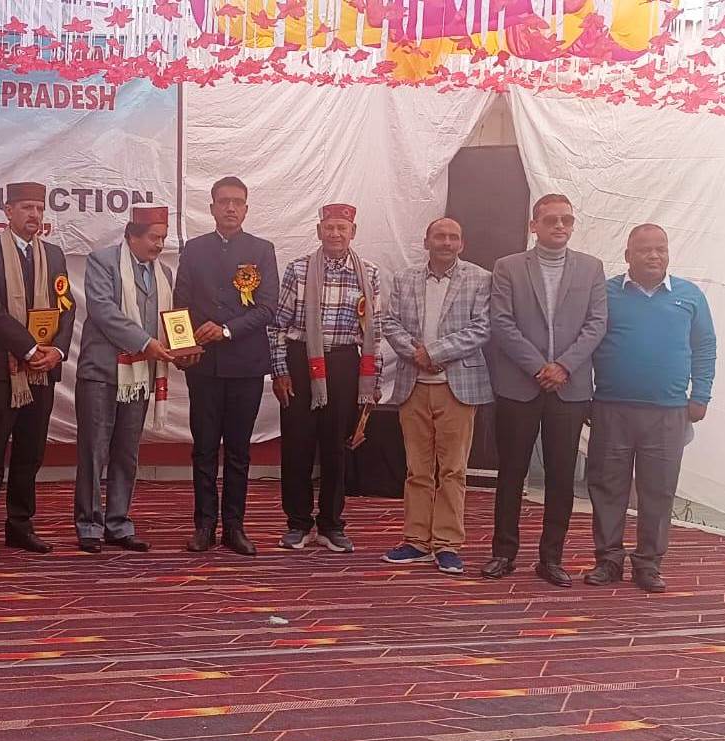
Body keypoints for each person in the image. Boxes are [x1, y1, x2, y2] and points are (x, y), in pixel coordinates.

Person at [582, 224, 715, 593]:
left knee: (658, 489)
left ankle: (648, 564)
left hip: (668, 412)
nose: (654, 256)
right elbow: (584, 343)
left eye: (661, 249)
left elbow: (705, 347)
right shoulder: (604, 293)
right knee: (607, 486)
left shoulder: (689, 296)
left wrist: (701, 395)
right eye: (644, 250)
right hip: (611, 409)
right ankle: (608, 560)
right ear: (628, 255)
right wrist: (585, 395)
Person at [482, 193, 607, 587]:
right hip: (520, 385)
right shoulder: (508, 267)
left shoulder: (591, 268)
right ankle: (503, 553)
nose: (559, 226)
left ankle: (551, 558)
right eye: (550, 220)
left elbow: (597, 323)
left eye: (566, 220)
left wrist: (564, 366)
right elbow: (501, 322)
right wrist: (540, 367)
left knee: (561, 475)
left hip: (569, 388)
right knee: (511, 473)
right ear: (533, 226)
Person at [377, 218, 492, 575]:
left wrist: (436, 353)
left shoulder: (480, 279)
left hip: (457, 387)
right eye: (439, 236)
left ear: (462, 244)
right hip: (413, 385)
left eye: (453, 237)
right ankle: (415, 540)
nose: (446, 242)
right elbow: (389, 322)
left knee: (453, 470)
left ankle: (447, 544)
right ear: (426, 241)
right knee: (418, 469)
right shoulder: (405, 279)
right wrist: (417, 354)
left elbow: (482, 328)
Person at [73, 204, 190, 554]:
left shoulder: (164, 272)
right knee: (94, 451)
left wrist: (180, 345)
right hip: (101, 373)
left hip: (139, 377)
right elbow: (103, 311)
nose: (159, 245)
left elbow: (169, 320)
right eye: (154, 238)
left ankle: (118, 523)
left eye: (163, 238)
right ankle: (89, 525)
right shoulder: (103, 261)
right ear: (131, 236)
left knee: (126, 452)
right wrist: (145, 343)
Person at [0, 181, 76, 560]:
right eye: (27, 207)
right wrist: (29, 349)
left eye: (39, 208)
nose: (34, 215)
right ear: (8, 211)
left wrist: (57, 350)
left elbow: (66, 307)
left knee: (30, 452)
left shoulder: (54, 255)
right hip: (1, 369)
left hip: (43, 369)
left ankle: (20, 525)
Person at [268, 203, 383, 555]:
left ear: (353, 232)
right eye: (329, 227)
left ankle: (332, 525)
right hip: (301, 364)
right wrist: (280, 371)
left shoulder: (369, 273)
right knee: (297, 447)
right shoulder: (298, 269)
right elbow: (278, 326)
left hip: (345, 365)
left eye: (342, 228)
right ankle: (298, 523)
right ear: (319, 231)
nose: (335, 234)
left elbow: (374, 332)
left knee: (337, 448)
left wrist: (373, 384)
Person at [174, 177, 279, 556]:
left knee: (238, 451)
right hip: (202, 366)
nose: (230, 208)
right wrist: (184, 345)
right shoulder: (194, 249)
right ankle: (204, 525)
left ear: (246, 209)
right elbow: (181, 302)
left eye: (237, 202)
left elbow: (267, 308)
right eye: (223, 202)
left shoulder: (262, 250)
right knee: (203, 449)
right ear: (212, 208)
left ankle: (234, 526)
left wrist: (227, 329)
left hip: (245, 366)